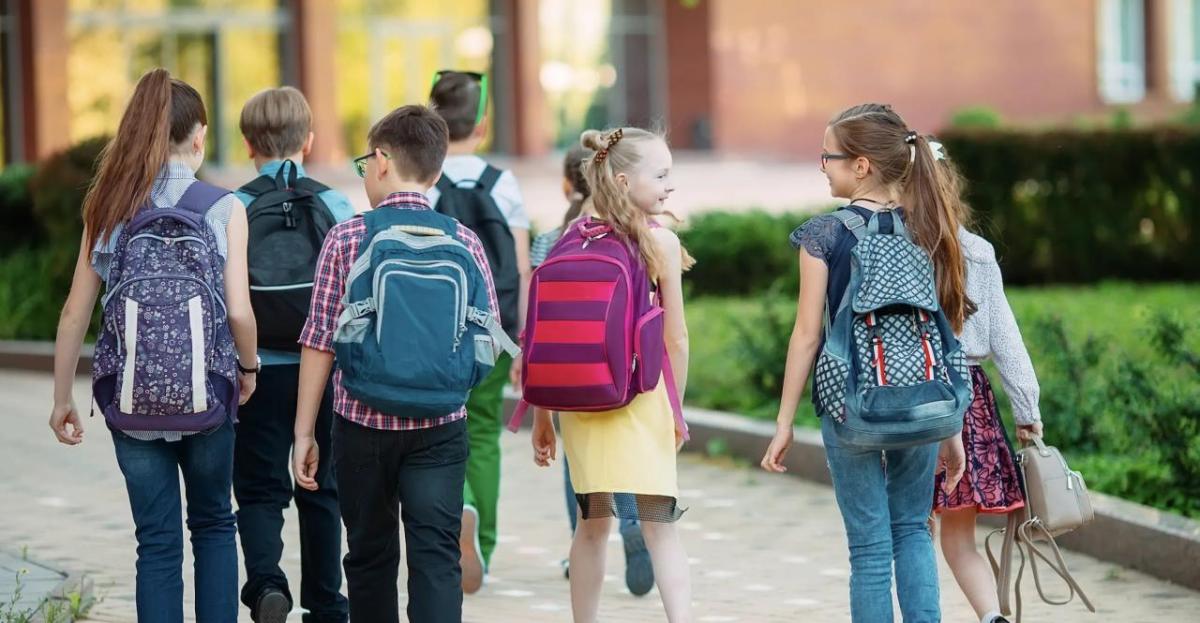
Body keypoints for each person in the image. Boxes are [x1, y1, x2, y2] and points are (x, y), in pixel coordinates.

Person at [49, 67, 257, 623]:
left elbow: (75, 312)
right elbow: (238, 309)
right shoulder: (225, 207)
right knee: (214, 523)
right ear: (199, 136)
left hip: (131, 400)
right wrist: (250, 368)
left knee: (156, 541)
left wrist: (62, 396)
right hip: (207, 396)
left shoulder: (108, 207)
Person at [292, 104, 502, 623]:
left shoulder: (348, 238)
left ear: (382, 160)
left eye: (366, 162)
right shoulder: (464, 241)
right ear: (434, 170)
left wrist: (304, 434)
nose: (365, 172)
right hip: (441, 427)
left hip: (361, 423)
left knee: (369, 557)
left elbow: (319, 340)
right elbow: (490, 340)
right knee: (435, 558)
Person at [760, 103, 967, 622]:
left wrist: (784, 422)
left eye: (827, 156)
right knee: (913, 530)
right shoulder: (929, 228)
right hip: (922, 403)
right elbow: (942, 332)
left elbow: (807, 335)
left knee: (870, 549)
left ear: (860, 166)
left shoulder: (823, 236)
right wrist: (952, 428)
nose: (821, 166)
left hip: (851, 405)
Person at [531, 127, 694, 622]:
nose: (670, 185)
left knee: (592, 525)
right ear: (623, 180)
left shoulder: (568, 238)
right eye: (661, 174)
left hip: (580, 405)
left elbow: (549, 333)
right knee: (659, 527)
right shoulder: (658, 241)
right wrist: (676, 412)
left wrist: (543, 417)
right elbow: (676, 338)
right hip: (640, 401)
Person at [232, 86, 356, 623]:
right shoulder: (338, 204)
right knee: (322, 487)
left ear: (247, 144)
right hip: (323, 369)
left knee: (260, 488)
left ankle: (265, 585)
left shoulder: (232, 207)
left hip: (255, 370)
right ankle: (326, 603)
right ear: (308, 140)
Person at [530, 146, 654, 596]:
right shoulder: (634, 237)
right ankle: (634, 523)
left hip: (566, 377)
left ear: (569, 184)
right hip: (622, 375)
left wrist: (536, 400)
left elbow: (536, 319)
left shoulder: (551, 240)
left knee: (580, 470)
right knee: (623, 459)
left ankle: (580, 540)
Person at [427, 70, 532, 591]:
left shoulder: (425, 179)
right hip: (491, 331)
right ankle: (483, 547)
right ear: (483, 124)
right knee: (484, 434)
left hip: (436, 334)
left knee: (437, 435)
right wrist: (522, 339)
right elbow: (519, 265)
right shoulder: (503, 183)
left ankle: (455, 514)